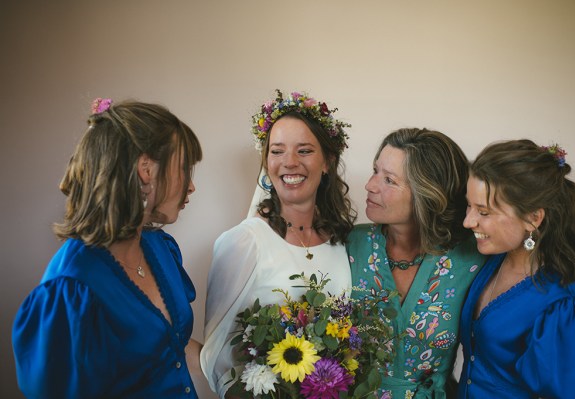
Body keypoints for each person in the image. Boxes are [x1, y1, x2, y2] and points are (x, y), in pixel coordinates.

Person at [12, 98, 203, 398]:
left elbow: (172, 349)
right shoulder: (71, 290)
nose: (191, 186)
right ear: (146, 169)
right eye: (183, 168)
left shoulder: (159, 248)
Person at [201, 90, 355, 398]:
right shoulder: (243, 242)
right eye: (277, 151)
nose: (289, 163)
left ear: (328, 162)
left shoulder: (343, 243)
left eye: (305, 151)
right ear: (266, 161)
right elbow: (215, 354)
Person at [347, 128, 487, 398]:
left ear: (428, 195)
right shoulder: (349, 245)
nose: (370, 185)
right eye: (375, 171)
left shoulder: (472, 259)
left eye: (389, 180)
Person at [458, 139, 575, 399]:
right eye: (469, 205)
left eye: (484, 212)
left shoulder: (562, 304)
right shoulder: (489, 261)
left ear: (533, 218)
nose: (468, 221)